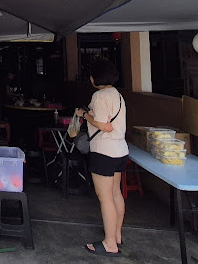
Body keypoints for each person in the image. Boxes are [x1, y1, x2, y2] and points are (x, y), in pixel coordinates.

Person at [75, 60, 127, 257]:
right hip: (120, 150)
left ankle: (110, 244)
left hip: (104, 151)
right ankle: (117, 234)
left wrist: (84, 115)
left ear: (95, 78)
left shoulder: (99, 96)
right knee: (115, 194)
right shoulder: (118, 95)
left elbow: (105, 126)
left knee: (105, 197)